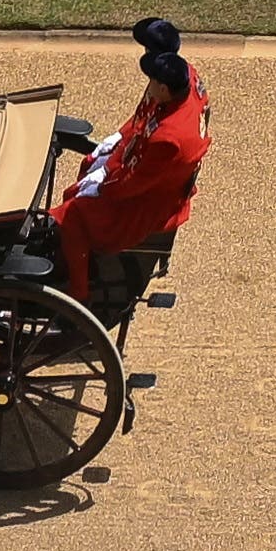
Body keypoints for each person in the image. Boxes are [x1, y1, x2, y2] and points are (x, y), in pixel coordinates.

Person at [53, 20, 209, 344]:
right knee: (85, 174)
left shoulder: (171, 138)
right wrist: (117, 142)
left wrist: (103, 182)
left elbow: (135, 183)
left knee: (75, 215)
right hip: (145, 179)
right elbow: (142, 120)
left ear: (164, 86)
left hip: (148, 205)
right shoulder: (183, 77)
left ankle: (78, 296)